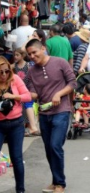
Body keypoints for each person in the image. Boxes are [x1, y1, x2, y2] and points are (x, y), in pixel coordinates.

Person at [26, 39, 76, 193]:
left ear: (43, 48)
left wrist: (59, 94)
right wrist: (21, 95)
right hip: (44, 113)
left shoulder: (60, 62)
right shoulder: (31, 72)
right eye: (29, 55)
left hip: (62, 110)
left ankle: (60, 184)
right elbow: (33, 93)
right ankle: (55, 181)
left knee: (55, 145)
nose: (32, 56)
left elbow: (73, 82)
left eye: (34, 52)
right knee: (48, 149)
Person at [0, 56, 31, 193]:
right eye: (0, 72)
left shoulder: (15, 79)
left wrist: (13, 96)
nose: (4, 75)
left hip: (16, 124)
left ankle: (20, 190)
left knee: (17, 157)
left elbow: (27, 96)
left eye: (6, 71)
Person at [13, 48, 39, 136]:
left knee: (28, 105)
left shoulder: (28, 65)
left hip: (27, 88)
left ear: (23, 56)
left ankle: (31, 126)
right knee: (21, 107)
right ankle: (27, 126)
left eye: (17, 55)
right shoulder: (13, 66)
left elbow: (32, 76)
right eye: (14, 55)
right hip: (18, 90)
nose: (15, 57)